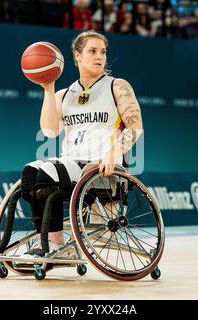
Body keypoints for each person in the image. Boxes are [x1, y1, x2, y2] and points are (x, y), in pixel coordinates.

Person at [20, 30, 143, 256]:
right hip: (72, 163)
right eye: (92, 51)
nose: (99, 57)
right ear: (77, 55)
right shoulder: (65, 94)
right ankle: (49, 242)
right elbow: (49, 131)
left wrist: (112, 154)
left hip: (101, 168)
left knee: (47, 173)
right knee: (29, 173)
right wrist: (48, 89)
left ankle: (55, 245)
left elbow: (135, 127)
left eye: (103, 52)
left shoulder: (117, 86)